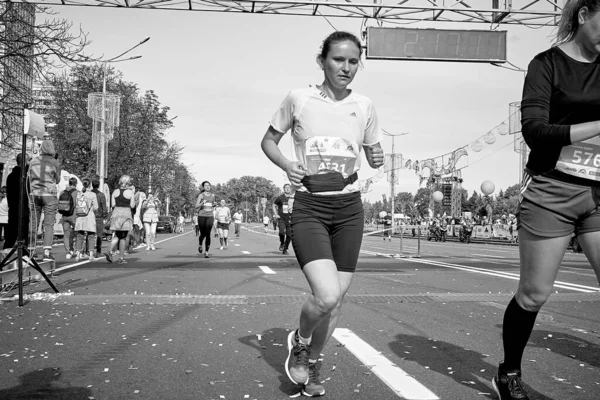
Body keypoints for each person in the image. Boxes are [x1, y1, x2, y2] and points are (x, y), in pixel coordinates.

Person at [260, 31, 384, 397]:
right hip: (311, 207)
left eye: (352, 61)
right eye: (338, 60)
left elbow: (372, 150)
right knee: (326, 295)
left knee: (337, 301)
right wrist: (286, 163)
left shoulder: (364, 105)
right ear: (322, 61)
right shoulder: (299, 99)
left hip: (348, 209)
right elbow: (268, 139)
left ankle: (311, 362)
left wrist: (376, 156)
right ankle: (299, 340)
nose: (346, 68)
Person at [492, 3, 600, 400]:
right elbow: (535, 132)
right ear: (585, 13)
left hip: (599, 194)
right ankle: (508, 372)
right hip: (552, 192)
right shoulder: (546, 64)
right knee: (534, 293)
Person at [28, 140, 61, 260]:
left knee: (33, 223)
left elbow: (29, 177)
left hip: (34, 194)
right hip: (49, 194)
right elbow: (57, 180)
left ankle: (31, 251)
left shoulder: (33, 161)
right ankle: (46, 252)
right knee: (48, 224)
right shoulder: (55, 163)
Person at [106, 175, 135, 264]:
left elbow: (113, 205)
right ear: (128, 183)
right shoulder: (130, 193)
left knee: (117, 235)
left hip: (116, 215)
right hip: (126, 215)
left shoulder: (115, 192)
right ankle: (121, 258)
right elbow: (132, 205)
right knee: (123, 237)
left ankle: (110, 251)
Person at [4, 153, 30, 250]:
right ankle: (24, 254)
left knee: (11, 234)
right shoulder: (26, 176)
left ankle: (6, 254)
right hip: (24, 208)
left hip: (13, 209)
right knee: (25, 234)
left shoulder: (10, 176)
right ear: (25, 162)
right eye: (29, 160)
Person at [74, 178, 99, 261]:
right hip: (89, 217)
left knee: (79, 236)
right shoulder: (92, 195)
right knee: (91, 236)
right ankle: (91, 255)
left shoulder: (79, 194)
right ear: (90, 185)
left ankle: (77, 255)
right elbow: (96, 207)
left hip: (80, 217)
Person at [58, 177, 79, 259]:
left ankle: (68, 252)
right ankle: (77, 250)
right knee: (78, 233)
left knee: (66, 234)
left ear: (69, 183)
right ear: (75, 184)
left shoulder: (62, 192)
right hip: (74, 215)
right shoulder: (77, 193)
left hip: (64, 215)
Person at [196, 181, 215, 258]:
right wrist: (202, 203)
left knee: (208, 233)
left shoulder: (213, 195)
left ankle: (206, 252)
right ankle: (200, 243)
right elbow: (196, 206)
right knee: (202, 233)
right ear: (203, 187)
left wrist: (214, 205)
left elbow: (212, 205)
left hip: (210, 215)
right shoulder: (201, 195)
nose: (207, 187)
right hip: (201, 216)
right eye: (205, 185)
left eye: (208, 185)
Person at [273, 184, 293, 254]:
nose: (287, 189)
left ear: (291, 189)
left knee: (289, 235)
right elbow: (274, 205)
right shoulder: (280, 198)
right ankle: (282, 242)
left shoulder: (293, 197)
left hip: (290, 219)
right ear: (284, 189)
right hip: (282, 218)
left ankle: (285, 249)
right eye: (286, 188)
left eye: (288, 188)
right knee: (282, 232)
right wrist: (276, 214)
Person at [91, 178, 108, 256]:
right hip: (99, 216)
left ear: (92, 185)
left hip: (90, 216)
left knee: (89, 234)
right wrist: (105, 215)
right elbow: (104, 207)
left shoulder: (89, 193)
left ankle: (88, 251)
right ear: (99, 185)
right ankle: (98, 251)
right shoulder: (101, 195)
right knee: (99, 235)